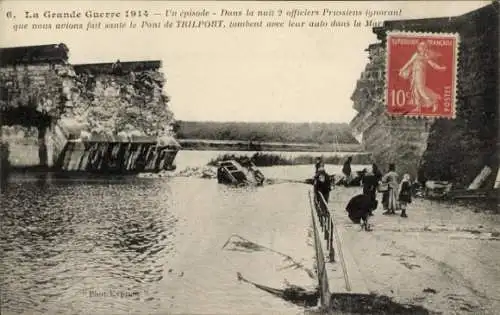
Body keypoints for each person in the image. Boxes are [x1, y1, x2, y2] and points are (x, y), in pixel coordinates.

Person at [399, 41, 447, 113]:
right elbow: (409, 62)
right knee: (415, 91)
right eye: (421, 46)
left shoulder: (426, 56)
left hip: (421, 74)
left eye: (424, 46)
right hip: (414, 74)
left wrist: (440, 68)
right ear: (418, 47)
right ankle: (418, 107)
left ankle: (434, 102)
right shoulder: (416, 55)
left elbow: (433, 64)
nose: (422, 47)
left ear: (426, 48)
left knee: (421, 89)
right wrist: (402, 69)